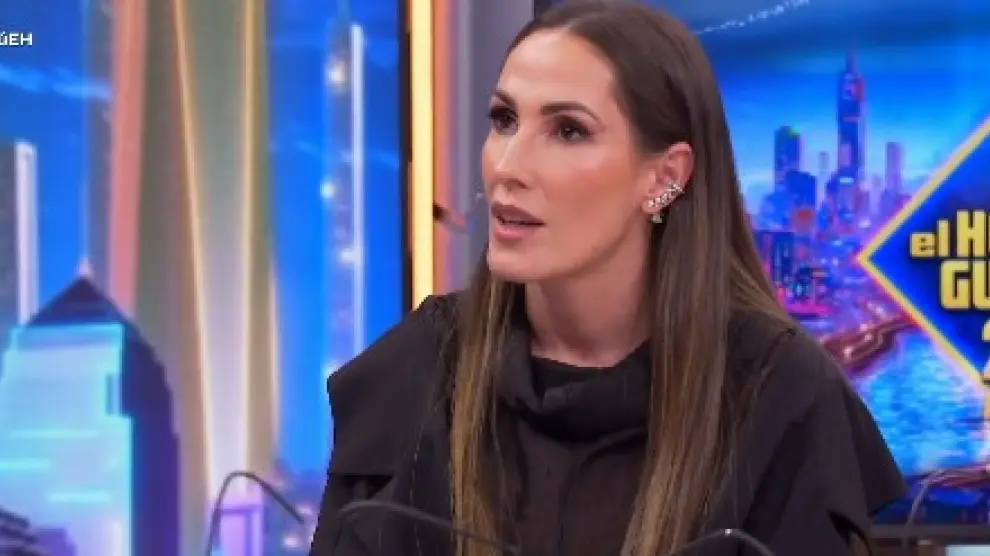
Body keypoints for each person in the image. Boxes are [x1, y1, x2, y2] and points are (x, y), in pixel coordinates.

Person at [310, 2, 905, 555]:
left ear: (665, 178)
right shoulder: (418, 371)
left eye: (568, 130)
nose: (508, 167)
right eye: (504, 119)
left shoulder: (779, 397)